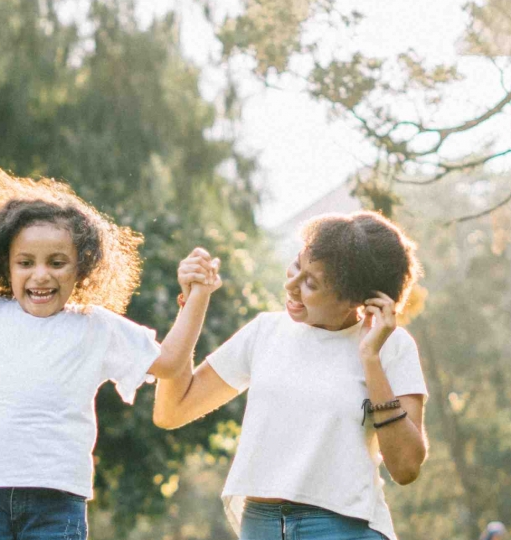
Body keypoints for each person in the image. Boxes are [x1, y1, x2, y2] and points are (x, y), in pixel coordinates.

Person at [0, 165, 219, 539]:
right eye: (26, 263)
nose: (40, 275)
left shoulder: (95, 326)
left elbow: (169, 362)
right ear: (7, 264)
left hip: (58, 499)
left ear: (81, 268)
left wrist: (197, 296)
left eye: (56, 262)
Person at [153, 211, 430, 540]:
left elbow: (406, 467)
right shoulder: (265, 332)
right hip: (260, 525)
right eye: (297, 266)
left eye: (311, 283)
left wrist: (370, 359)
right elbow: (172, 411)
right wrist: (194, 302)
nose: (291, 285)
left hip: (344, 528)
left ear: (358, 301)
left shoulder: (391, 346)